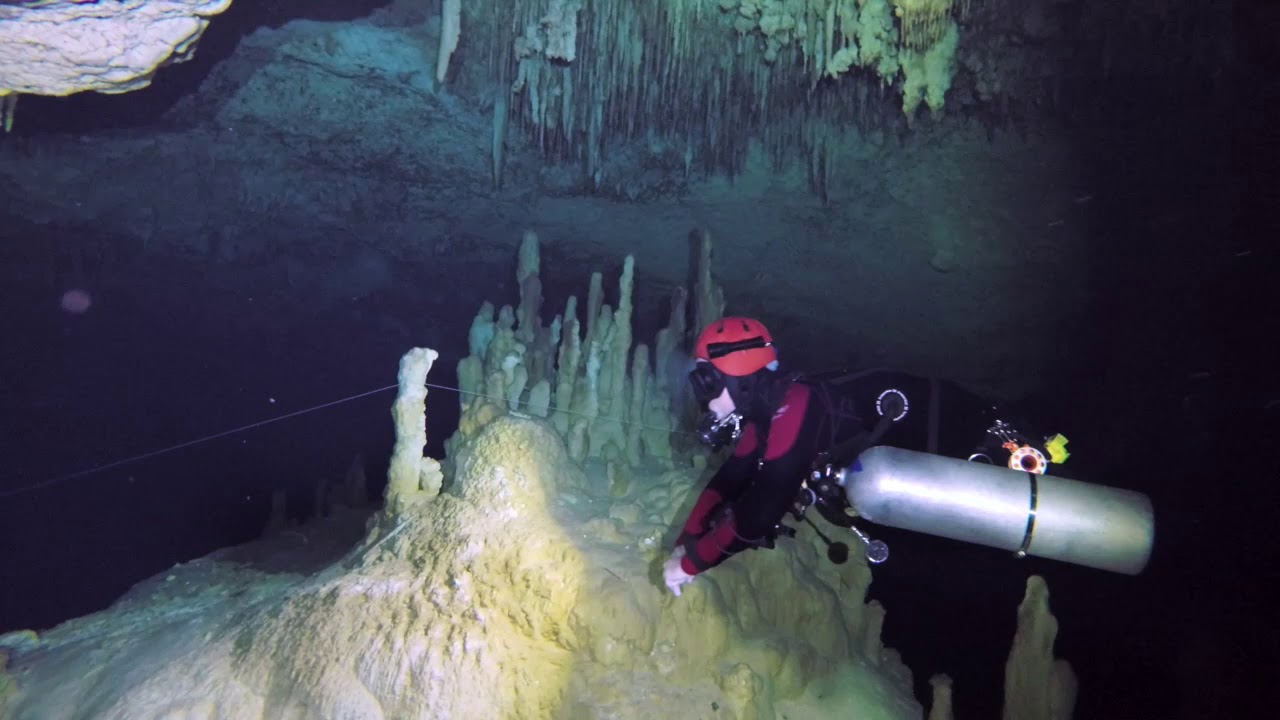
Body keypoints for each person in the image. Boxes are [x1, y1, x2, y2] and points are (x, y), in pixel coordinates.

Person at [663, 316, 870, 597]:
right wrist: (686, 541)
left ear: (740, 381)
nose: (703, 397)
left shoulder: (796, 403)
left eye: (707, 382)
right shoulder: (764, 415)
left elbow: (764, 505)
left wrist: (690, 564)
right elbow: (731, 477)